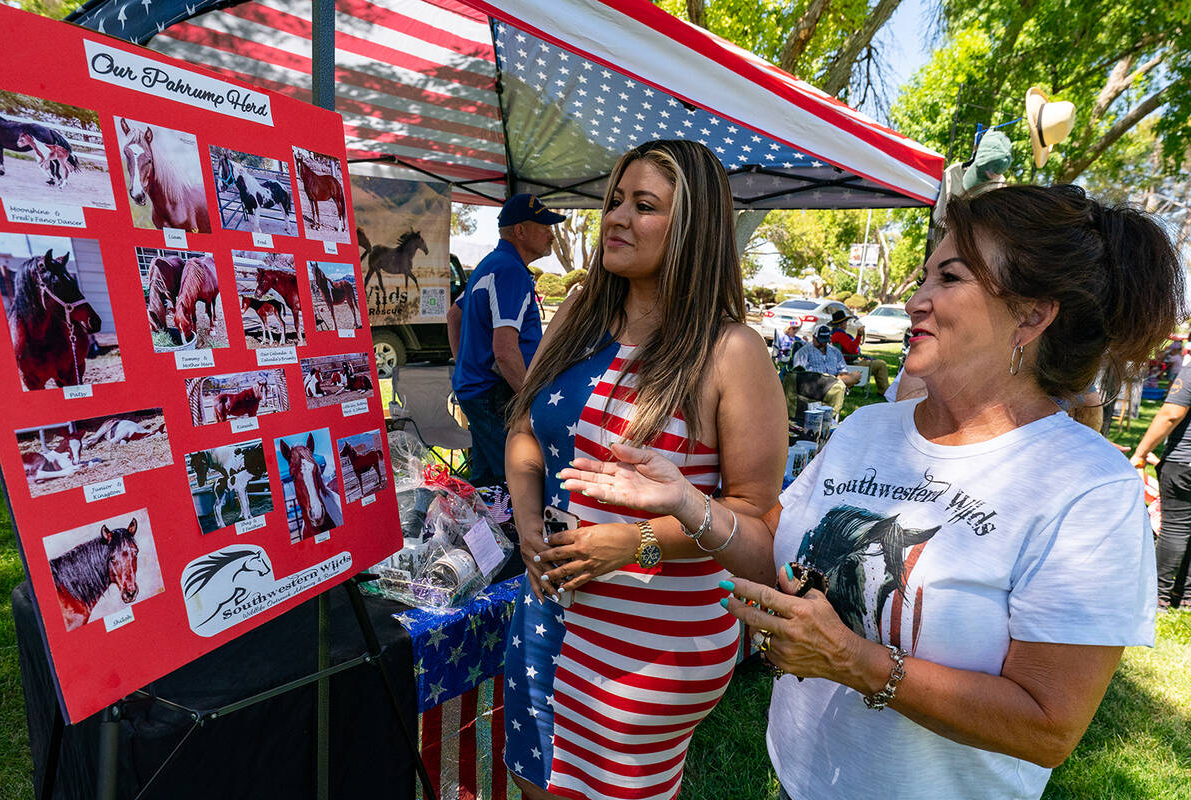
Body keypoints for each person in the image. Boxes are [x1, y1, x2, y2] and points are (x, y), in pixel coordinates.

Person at [557, 184, 1183, 799]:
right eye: (924, 277)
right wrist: (687, 503)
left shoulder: (1088, 490)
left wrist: (856, 662)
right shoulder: (869, 429)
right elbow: (775, 552)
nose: (916, 300)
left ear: (1031, 316)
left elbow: (1048, 726)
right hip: (798, 778)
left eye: (950, 278)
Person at [501, 140, 786, 800]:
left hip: (652, 644)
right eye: (615, 201)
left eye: (645, 205)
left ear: (694, 227)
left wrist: (637, 541)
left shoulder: (730, 351)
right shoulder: (578, 315)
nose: (617, 218)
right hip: (548, 609)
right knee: (533, 780)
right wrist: (525, 524)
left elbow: (757, 529)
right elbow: (525, 429)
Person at [450, 194, 566, 487]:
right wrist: (532, 402)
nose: (551, 233)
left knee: (487, 482)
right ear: (521, 231)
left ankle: (480, 531)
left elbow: (454, 315)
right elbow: (504, 350)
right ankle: (505, 532)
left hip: (479, 390)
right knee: (517, 482)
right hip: (495, 394)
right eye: (544, 225)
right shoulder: (510, 270)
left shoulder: (491, 263)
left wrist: (468, 367)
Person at [1131, 363, 1191, 609]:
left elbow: (1171, 414)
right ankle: (1185, 596)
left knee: (1174, 529)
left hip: (1184, 461)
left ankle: (1158, 597)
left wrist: (1141, 452)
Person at [829, 308, 890, 393]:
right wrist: (859, 335)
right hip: (849, 363)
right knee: (881, 364)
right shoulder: (840, 335)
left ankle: (883, 390)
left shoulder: (835, 334)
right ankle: (884, 391)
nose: (846, 323)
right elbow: (852, 351)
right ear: (842, 324)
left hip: (846, 361)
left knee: (877, 364)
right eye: (845, 321)